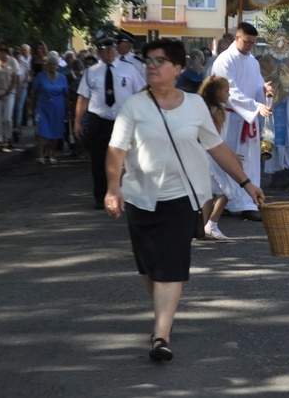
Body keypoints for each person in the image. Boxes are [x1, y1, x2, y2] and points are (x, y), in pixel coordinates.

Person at [104, 38, 264, 362]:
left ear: (177, 69)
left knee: (171, 267)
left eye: (159, 60)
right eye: (148, 60)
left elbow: (217, 147)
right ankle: (162, 315)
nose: (152, 65)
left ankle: (161, 334)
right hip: (140, 198)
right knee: (152, 267)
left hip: (182, 198)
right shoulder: (135, 105)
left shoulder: (194, 106)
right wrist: (112, 187)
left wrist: (247, 184)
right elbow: (116, 149)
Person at [210, 22, 274, 221]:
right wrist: (255, 107)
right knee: (228, 157)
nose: (250, 47)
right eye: (247, 42)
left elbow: (254, 87)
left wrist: (263, 91)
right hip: (228, 117)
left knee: (250, 161)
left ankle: (248, 203)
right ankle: (225, 201)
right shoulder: (224, 61)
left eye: (253, 43)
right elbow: (230, 91)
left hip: (248, 118)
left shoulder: (253, 62)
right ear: (237, 38)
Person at [74, 36, 147, 209]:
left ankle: (126, 193)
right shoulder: (91, 72)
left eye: (112, 49)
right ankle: (100, 196)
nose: (110, 52)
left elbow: (141, 92)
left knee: (127, 159)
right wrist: (77, 121)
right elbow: (83, 97)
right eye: (105, 49)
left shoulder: (129, 69)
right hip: (98, 120)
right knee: (98, 159)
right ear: (99, 52)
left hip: (123, 120)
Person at [198, 75, 245, 240]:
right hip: (212, 155)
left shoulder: (203, 107)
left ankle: (200, 227)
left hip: (203, 153)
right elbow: (216, 140)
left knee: (210, 192)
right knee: (228, 188)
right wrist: (232, 155)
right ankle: (212, 223)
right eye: (226, 91)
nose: (229, 95)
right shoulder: (217, 111)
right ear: (217, 92)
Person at [259, 54, 289, 189]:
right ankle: (275, 175)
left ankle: (286, 174)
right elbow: (261, 79)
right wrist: (276, 73)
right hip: (271, 102)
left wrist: (284, 70)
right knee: (270, 137)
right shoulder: (265, 61)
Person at [29, 55, 69, 164]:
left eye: (54, 64)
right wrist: (31, 108)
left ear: (57, 66)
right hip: (43, 107)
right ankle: (41, 155)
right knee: (42, 130)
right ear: (46, 65)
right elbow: (33, 93)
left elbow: (66, 95)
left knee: (56, 131)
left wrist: (68, 109)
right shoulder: (40, 77)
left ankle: (52, 154)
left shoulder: (62, 78)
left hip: (58, 108)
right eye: (49, 64)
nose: (52, 66)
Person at [0, 41, 19, 151]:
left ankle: (8, 138)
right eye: (0, 50)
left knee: (7, 117)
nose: (2, 52)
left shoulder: (13, 61)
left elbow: (14, 78)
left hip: (9, 92)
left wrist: (7, 92)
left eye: (5, 50)